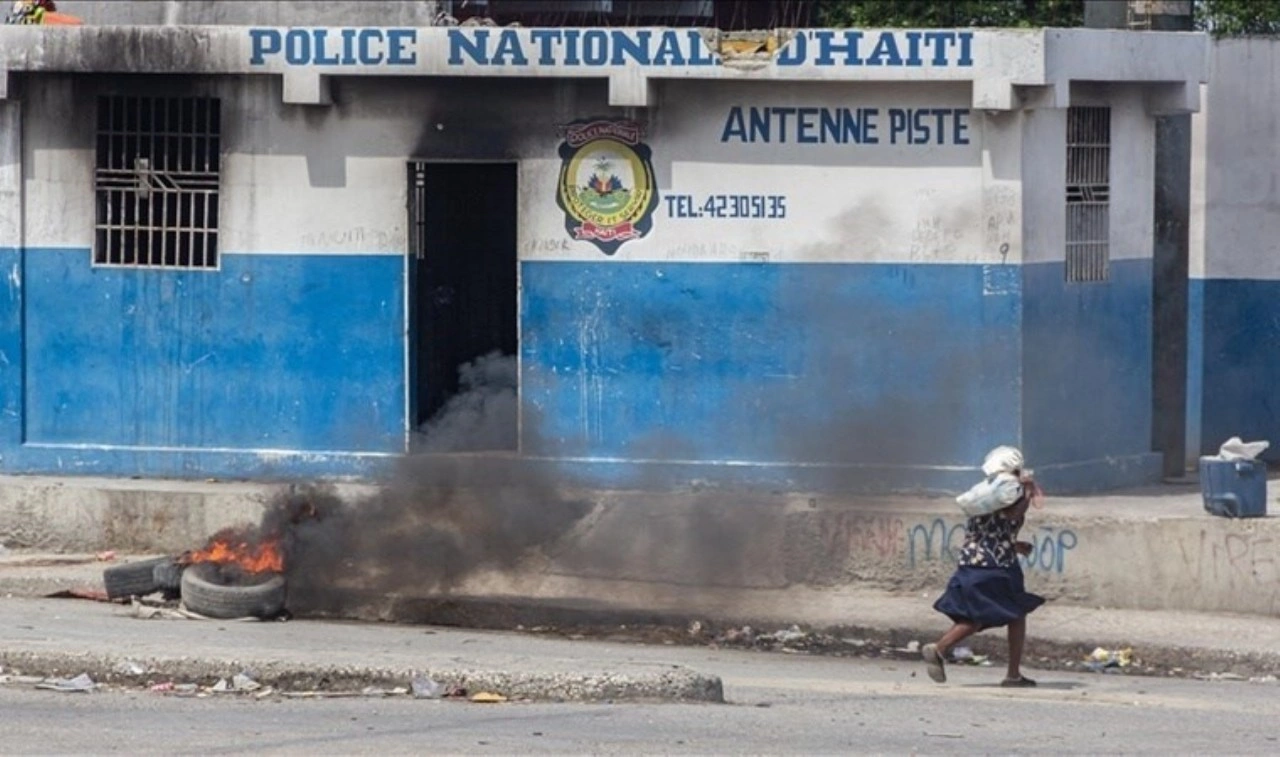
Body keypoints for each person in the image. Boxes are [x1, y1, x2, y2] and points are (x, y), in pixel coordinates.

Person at [921, 446, 1045, 687]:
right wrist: (1028, 491)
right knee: (981, 617)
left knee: (1008, 614)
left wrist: (1015, 545)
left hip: (973, 562)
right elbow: (1012, 514)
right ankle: (940, 648)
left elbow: (989, 531)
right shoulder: (1010, 491)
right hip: (995, 567)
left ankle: (1013, 674)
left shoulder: (985, 493)